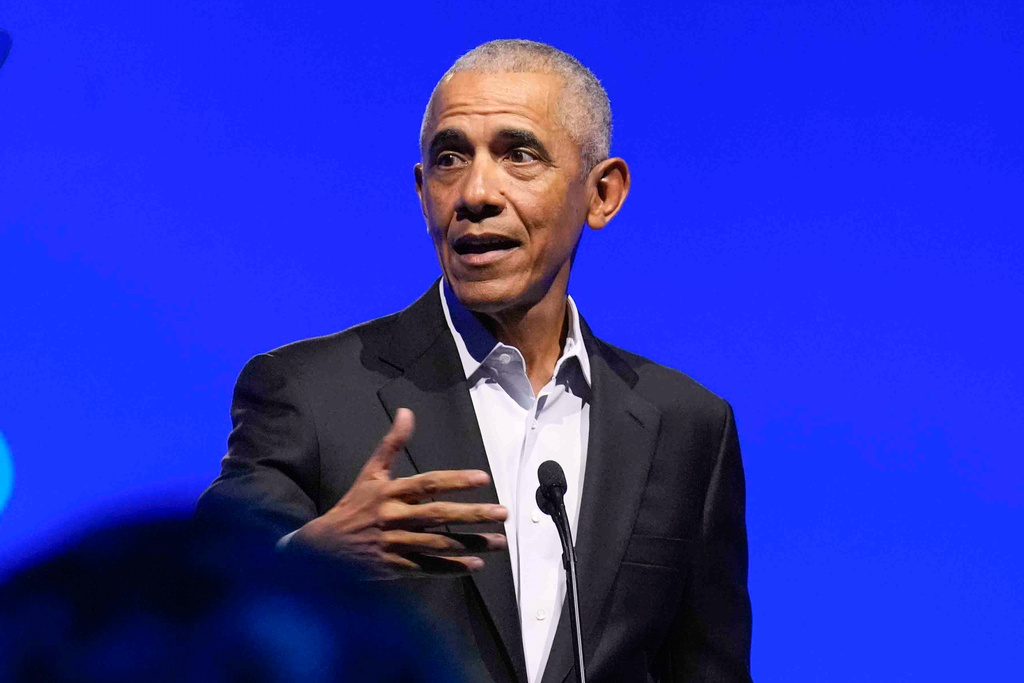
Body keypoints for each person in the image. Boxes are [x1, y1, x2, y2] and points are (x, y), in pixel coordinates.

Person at [197, 39, 752, 683]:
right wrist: (316, 556)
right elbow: (192, 601)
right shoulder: (310, 391)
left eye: (519, 154)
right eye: (450, 159)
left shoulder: (687, 424)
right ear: (421, 191)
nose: (476, 192)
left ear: (602, 194)